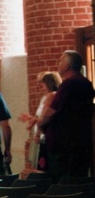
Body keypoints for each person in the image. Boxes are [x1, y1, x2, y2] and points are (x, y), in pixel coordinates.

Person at [38, 50, 95, 180]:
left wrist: (41, 122)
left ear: (66, 66)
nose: (58, 64)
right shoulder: (86, 83)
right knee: (79, 180)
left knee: (62, 183)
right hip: (82, 142)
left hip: (63, 144)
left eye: (60, 61)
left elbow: (53, 111)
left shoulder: (69, 83)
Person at [18, 71, 61, 171]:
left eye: (42, 83)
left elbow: (43, 119)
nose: (41, 86)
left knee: (43, 167)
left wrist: (37, 134)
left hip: (45, 136)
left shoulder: (52, 96)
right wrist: (31, 119)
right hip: (43, 134)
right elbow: (41, 117)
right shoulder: (47, 97)